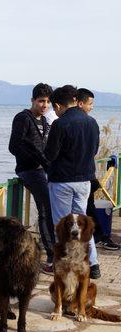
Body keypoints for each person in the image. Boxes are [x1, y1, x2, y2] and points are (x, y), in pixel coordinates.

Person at [44, 85, 101, 279]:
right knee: (83, 222)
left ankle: (64, 262)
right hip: (85, 180)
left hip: (62, 181)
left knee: (62, 225)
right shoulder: (92, 122)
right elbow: (94, 150)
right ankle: (93, 263)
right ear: (76, 101)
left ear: (58, 105)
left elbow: (50, 154)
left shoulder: (60, 124)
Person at [8, 83, 55, 274]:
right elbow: (14, 146)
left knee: (51, 208)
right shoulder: (22, 118)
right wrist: (35, 160)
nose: (45, 105)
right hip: (29, 170)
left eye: (48, 102)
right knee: (45, 208)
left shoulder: (44, 121)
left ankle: (50, 249)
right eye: (41, 101)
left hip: (43, 170)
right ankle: (52, 256)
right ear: (33, 100)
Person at [77, 88, 121, 250]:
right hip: (84, 174)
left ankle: (97, 238)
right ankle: (99, 238)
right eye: (90, 104)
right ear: (80, 103)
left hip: (80, 175)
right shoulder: (90, 123)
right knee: (88, 207)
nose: (92, 107)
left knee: (87, 207)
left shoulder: (77, 122)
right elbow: (93, 150)